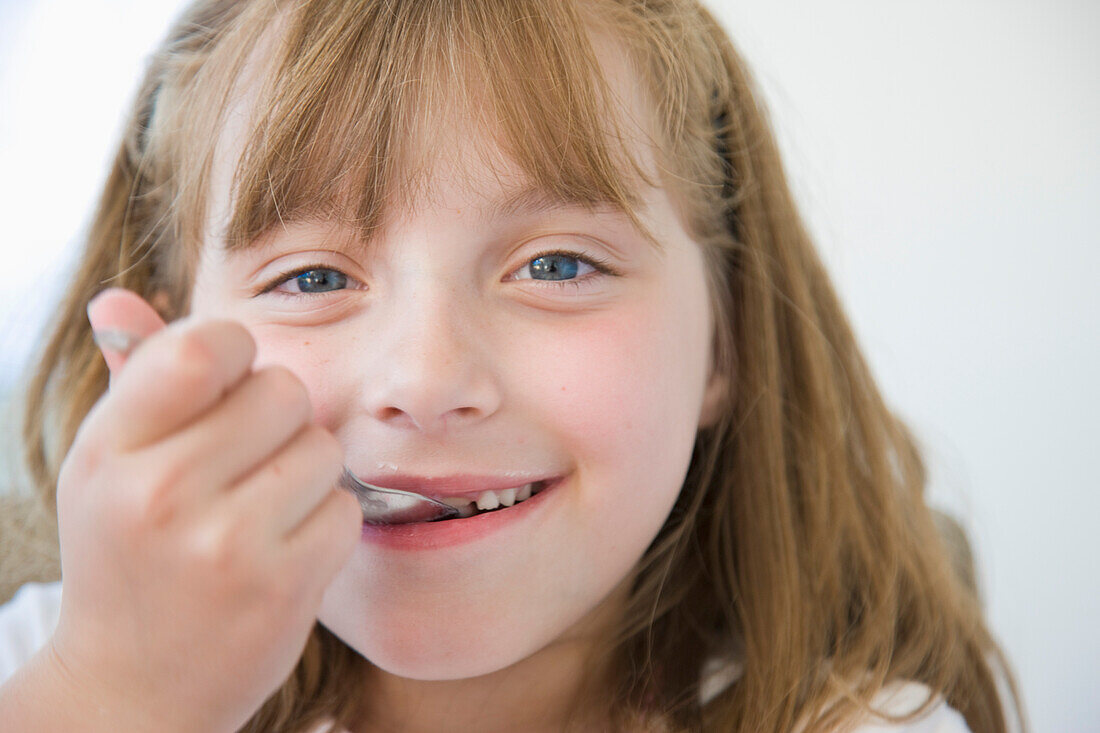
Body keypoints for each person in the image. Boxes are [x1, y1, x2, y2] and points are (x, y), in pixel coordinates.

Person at [0, 0, 1024, 731]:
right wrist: (116, 700)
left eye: (557, 264)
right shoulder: (54, 663)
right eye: (312, 279)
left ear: (728, 336)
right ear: (173, 354)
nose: (427, 375)